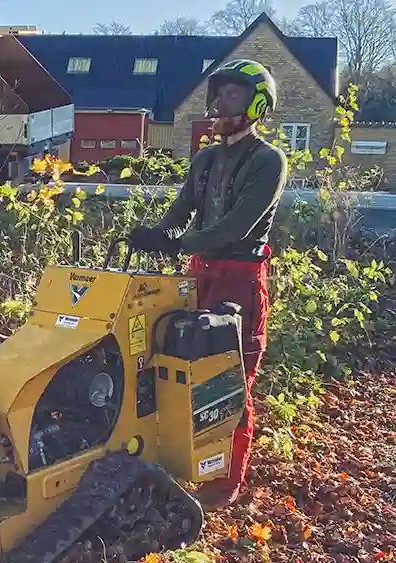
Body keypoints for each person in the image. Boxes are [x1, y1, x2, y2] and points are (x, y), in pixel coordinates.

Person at [129, 59, 288, 510]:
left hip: (238, 279)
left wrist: (176, 244)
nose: (220, 103)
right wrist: (157, 235)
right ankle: (183, 461)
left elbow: (235, 228)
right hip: (198, 276)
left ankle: (225, 480)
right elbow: (181, 210)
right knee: (176, 368)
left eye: (233, 95)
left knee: (233, 377)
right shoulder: (204, 159)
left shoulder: (268, 161)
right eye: (218, 94)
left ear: (257, 104)